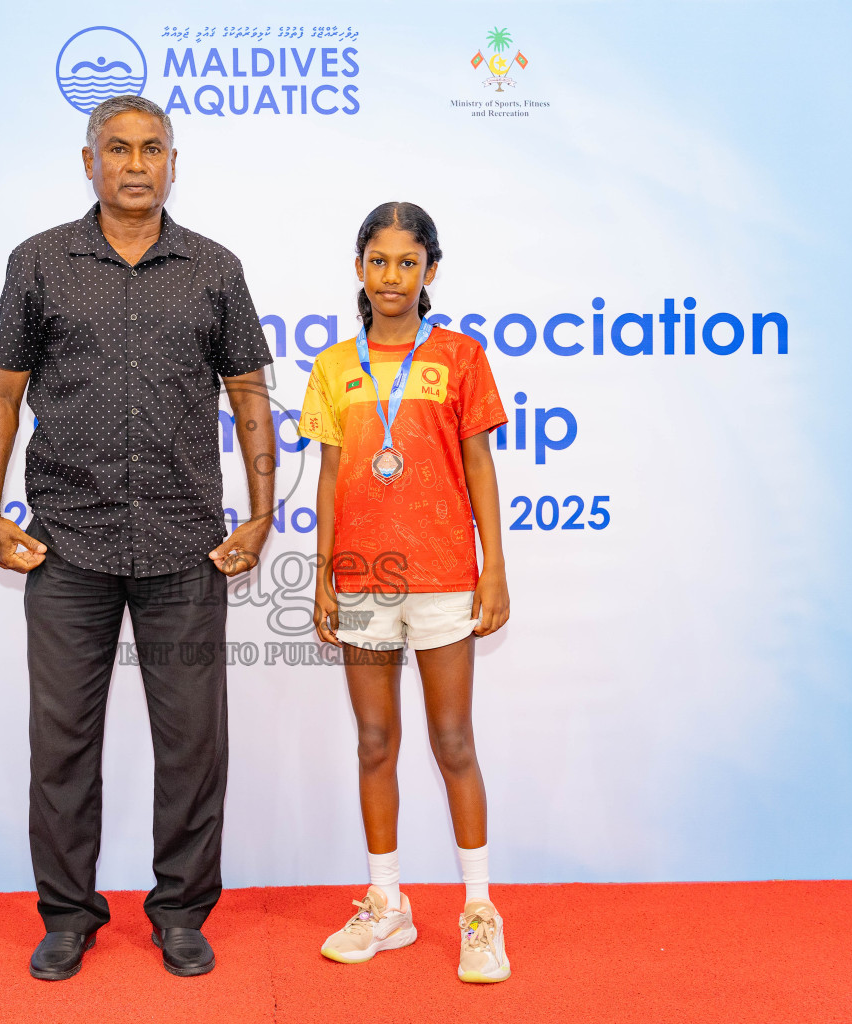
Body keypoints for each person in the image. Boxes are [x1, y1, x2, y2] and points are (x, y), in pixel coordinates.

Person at [0, 94, 275, 981]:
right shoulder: (38, 265)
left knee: (193, 745)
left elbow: (250, 395)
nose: (136, 164)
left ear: (174, 162)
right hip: (68, 543)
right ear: (88, 160)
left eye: (153, 149)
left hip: (187, 545)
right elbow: (1, 393)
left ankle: (182, 911)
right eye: (119, 148)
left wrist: (259, 512)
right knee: (62, 744)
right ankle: (68, 915)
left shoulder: (214, 268)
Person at [298, 202, 513, 983]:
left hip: (445, 577)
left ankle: (480, 910)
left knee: (453, 741)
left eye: (408, 263)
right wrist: (323, 575)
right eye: (379, 261)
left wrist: (493, 567)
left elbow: (480, 466)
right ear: (360, 268)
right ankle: (387, 905)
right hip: (361, 581)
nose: (393, 277)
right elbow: (329, 477)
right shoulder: (333, 366)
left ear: (431, 272)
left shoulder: (459, 357)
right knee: (374, 742)